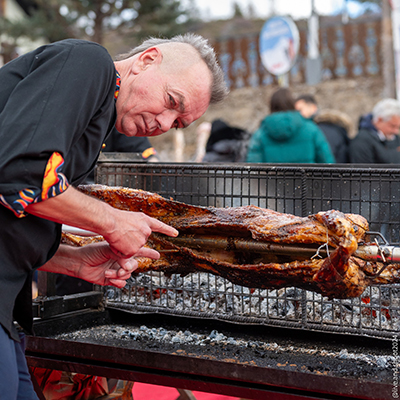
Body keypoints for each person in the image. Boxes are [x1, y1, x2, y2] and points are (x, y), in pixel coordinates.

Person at [0, 34, 228, 399]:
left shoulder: (100, 121)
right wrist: (112, 221)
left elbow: (15, 207)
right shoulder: (89, 62)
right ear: (146, 60)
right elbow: (19, 175)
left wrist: (72, 262)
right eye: (171, 101)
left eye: (178, 122)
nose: (165, 123)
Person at [246, 88, 335, 163]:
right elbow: (327, 162)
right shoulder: (311, 129)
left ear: (271, 106)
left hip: (272, 183)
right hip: (307, 183)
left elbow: (254, 168)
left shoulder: (260, 134)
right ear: (293, 104)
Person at [295, 94, 351, 163]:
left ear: (313, 107)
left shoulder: (322, 130)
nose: (297, 114)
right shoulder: (321, 128)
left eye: (300, 110)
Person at [349, 98, 400, 163]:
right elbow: (363, 171)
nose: (396, 131)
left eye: (398, 127)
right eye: (392, 126)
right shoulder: (362, 141)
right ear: (379, 120)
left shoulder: (395, 138)